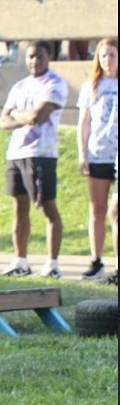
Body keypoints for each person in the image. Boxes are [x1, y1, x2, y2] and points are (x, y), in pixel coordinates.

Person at [0, 40, 69, 278]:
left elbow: (38, 117)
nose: (34, 61)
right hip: (16, 152)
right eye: (30, 57)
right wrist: (23, 116)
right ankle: (20, 261)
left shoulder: (55, 83)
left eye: (39, 56)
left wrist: (20, 115)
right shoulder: (19, 86)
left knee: (47, 207)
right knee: (19, 207)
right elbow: (3, 121)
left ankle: (52, 264)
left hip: (41, 152)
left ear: (48, 57)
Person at [76, 37, 117, 281]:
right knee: (98, 209)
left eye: (112, 55)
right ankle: (97, 260)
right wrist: (82, 154)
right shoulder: (92, 86)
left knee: (116, 209)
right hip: (98, 153)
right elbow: (84, 123)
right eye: (103, 56)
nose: (108, 60)